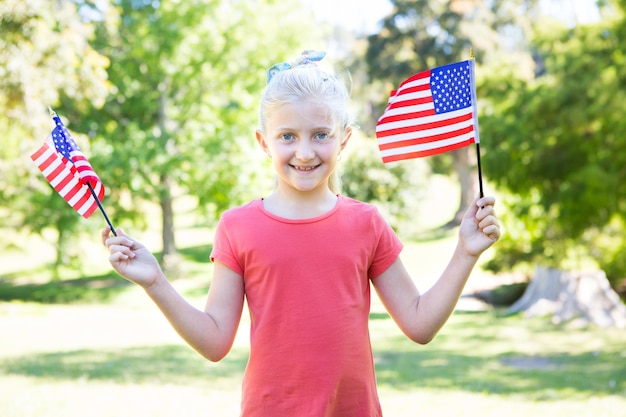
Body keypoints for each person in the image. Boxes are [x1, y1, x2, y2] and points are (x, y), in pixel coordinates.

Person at [102, 50, 501, 417]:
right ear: (264, 142)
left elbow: (420, 324)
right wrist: (155, 281)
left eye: (320, 135)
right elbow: (214, 342)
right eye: (288, 136)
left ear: (343, 139)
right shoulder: (237, 227)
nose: (305, 152)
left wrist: (466, 252)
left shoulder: (366, 223)